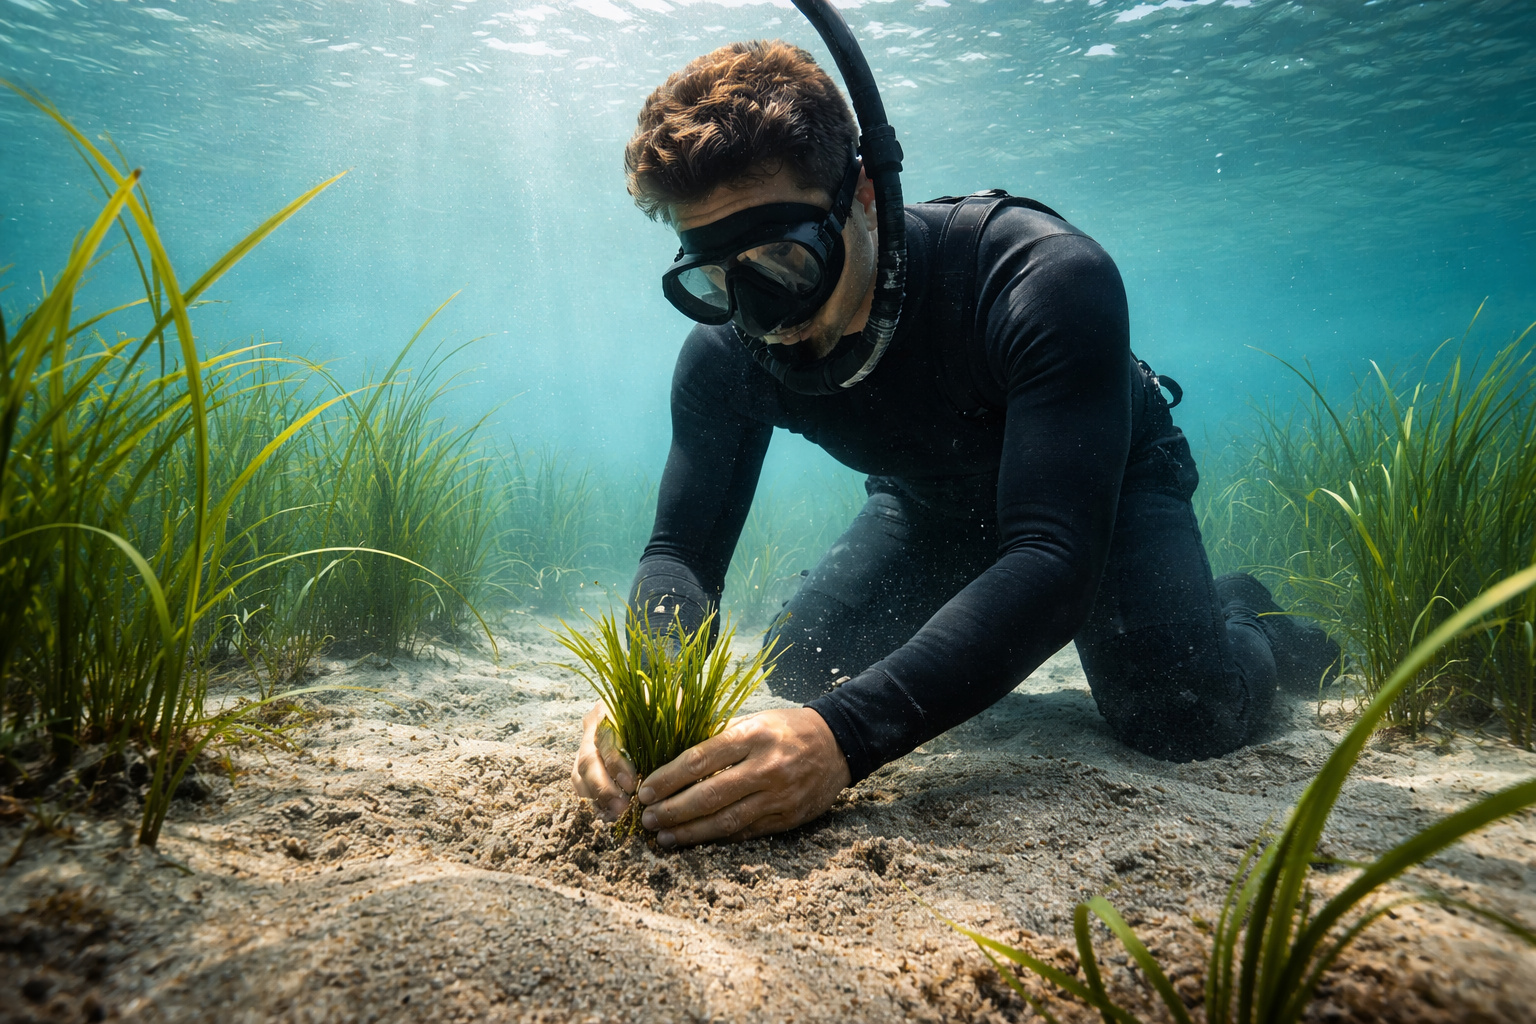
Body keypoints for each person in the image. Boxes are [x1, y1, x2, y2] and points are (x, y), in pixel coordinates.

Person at [571, 40, 1338, 849]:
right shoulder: (724, 359)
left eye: (782, 263)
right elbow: (679, 553)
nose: (759, 315)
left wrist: (842, 741)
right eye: (716, 281)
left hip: (1099, 496)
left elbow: (1051, 558)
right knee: (806, 666)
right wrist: (642, 686)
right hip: (929, 499)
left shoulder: (1039, 275)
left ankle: (1247, 614)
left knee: (1180, 715)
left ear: (862, 196)